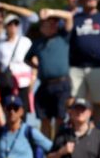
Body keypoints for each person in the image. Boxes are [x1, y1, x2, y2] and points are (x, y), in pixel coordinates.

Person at [25, 9, 73, 139]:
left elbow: (69, 16)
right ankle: (46, 148)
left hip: (62, 84)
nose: (53, 26)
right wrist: (37, 66)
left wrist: (51, 13)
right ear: (42, 27)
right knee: (44, 118)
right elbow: (27, 59)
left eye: (55, 23)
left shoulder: (63, 37)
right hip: (45, 85)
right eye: (49, 23)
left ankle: (58, 146)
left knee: (60, 118)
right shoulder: (38, 43)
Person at [69, 0, 100, 122]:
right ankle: (80, 131)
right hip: (76, 67)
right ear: (82, 1)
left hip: (98, 67)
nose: (91, 0)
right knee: (78, 101)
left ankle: (95, 131)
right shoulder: (75, 18)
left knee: (99, 101)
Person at [0, 15, 35, 110]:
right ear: (5, 26)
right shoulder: (0, 45)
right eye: (10, 24)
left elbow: (34, 62)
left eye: (16, 24)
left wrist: (33, 79)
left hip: (24, 83)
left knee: (23, 111)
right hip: (7, 83)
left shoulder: (26, 41)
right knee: (8, 110)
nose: (13, 26)